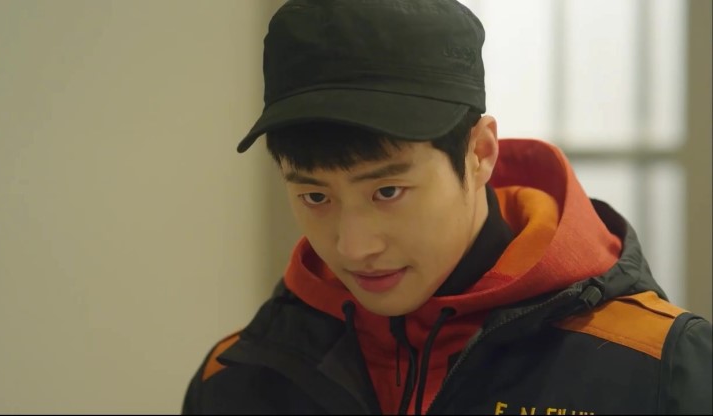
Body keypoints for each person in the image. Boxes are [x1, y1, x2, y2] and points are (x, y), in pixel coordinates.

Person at [182, 0, 712, 414]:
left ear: (480, 153)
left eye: (388, 191)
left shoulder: (657, 368)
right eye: (315, 197)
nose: (354, 246)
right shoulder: (237, 381)